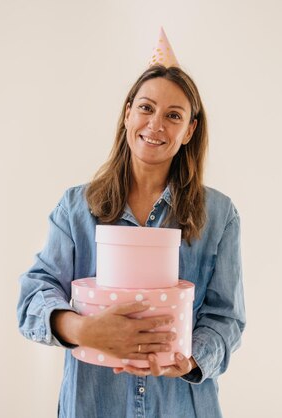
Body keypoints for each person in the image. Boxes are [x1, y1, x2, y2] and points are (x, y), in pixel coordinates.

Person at [17, 31, 245, 418]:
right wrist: (81, 330)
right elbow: (34, 295)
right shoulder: (76, 206)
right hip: (93, 403)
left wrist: (190, 360)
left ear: (189, 130)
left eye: (174, 115)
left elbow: (226, 318)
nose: (156, 124)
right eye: (146, 108)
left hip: (179, 405)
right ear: (127, 114)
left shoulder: (219, 214)